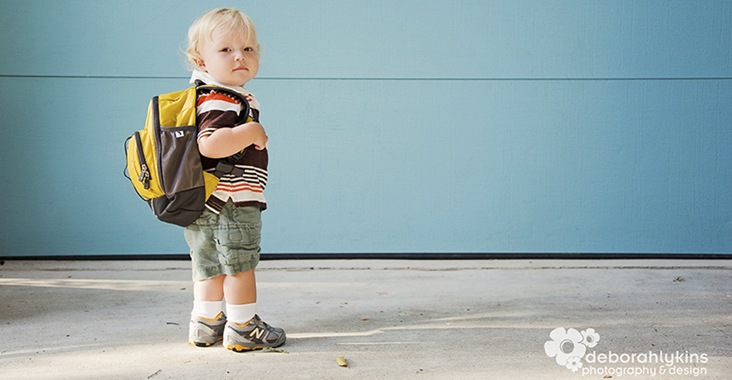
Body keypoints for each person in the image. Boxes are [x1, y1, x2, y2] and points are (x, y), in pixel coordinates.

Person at [181, 7, 285, 352]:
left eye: (248, 49)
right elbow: (209, 144)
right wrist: (251, 129)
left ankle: (206, 322)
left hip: (204, 200)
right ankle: (243, 327)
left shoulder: (203, 94)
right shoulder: (222, 98)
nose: (240, 56)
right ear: (201, 59)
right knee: (240, 264)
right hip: (232, 200)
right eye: (226, 49)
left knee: (209, 263)